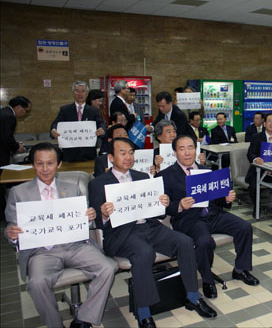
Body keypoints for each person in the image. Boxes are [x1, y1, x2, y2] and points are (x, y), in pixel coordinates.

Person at [89, 137, 217, 327]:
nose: (128, 157)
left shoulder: (142, 177)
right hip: (121, 234)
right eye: (122, 153)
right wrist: (103, 213)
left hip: (149, 227)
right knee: (144, 253)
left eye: (131, 152)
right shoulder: (99, 183)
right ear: (111, 157)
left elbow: (157, 212)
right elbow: (98, 223)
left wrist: (163, 203)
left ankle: (192, 296)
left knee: (185, 242)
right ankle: (144, 311)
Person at [5, 143, 117, 328]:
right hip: (41, 251)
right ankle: (55, 324)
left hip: (75, 246)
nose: (45, 169)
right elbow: (11, 225)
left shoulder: (72, 188)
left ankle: (84, 318)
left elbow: (83, 222)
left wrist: (89, 216)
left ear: (58, 164)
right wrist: (11, 233)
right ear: (33, 165)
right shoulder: (19, 192)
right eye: (39, 164)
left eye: (50, 163)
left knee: (108, 267)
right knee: (36, 283)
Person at [157, 135, 259, 300]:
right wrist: (179, 205)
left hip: (213, 213)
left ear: (195, 149)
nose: (187, 153)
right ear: (175, 152)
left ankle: (241, 270)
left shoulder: (206, 169)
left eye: (190, 147)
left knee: (245, 227)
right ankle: (207, 279)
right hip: (189, 219)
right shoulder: (165, 175)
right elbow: (162, 206)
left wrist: (226, 198)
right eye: (182, 149)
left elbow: (216, 197)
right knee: (204, 241)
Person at [50, 81, 106, 162]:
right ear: (73, 93)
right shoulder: (65, 110)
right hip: (69, 152)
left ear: (86, 94)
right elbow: (55, 123)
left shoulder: (93, 110)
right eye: (77, 91)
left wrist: (102, 129)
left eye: (83, 91)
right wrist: (53, 130)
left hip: (88, 152)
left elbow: (101, 123)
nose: (80, 94)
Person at [0, 96, 31, 222]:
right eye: (26, 110)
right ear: (18, 107)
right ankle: (3, 216)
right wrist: (17, 147)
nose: (25, 114)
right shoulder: (9, 117)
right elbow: (6, 138)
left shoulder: (3, 112)